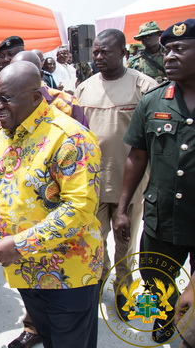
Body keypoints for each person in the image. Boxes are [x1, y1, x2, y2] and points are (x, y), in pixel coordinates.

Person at [0, 61, 103, 348]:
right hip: (25, 271)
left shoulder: (70, 138)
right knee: (50, 339)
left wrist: (19, 244)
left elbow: (79, 209)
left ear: (35, 96)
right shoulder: (8, 132)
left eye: (6, 98)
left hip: (68, 274)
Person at [117, 18, 195, 344]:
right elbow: (137, 157)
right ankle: (162, 319)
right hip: (161, 215)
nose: (170, 56)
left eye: (179, 49)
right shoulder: (153, 100)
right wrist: (122, 208)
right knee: (153, 278)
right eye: (166, 50)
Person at [76, 28, 157, 320]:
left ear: (124, 52)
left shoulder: (144, 86)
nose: (98, 56)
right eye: (95, 51)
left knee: (126, 242)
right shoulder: (84, 88)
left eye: (105, 51)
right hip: (92, 183)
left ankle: (124, 288)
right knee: (95, 241)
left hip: (129, 184)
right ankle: (100, 280)